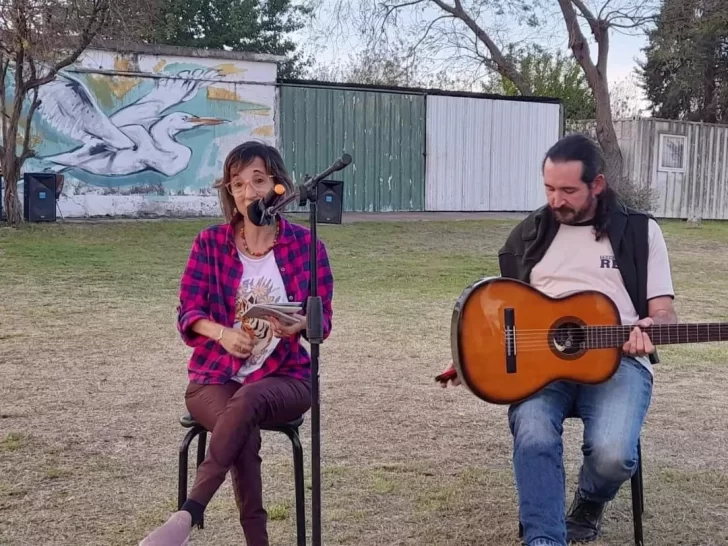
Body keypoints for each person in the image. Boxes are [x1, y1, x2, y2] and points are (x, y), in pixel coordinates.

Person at [440, 133, 677, 546]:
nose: (556, 200)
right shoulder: (529, 234)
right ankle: (545, 537)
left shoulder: (640, 231)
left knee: (613, 455)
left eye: (568, 190)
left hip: (619, 361)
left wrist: (653, 330)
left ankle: (589, 500)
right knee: (533, 433)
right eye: (549, 188)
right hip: (540, 367)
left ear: (597, 185)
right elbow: (502, 308)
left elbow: (664, 313)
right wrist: (473, 359)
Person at [140, 141, 334, 546]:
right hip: (213, 376)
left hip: (286, 377)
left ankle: (187, 514)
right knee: (241, 426)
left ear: (278, 186)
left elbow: (324, 321)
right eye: (238, 184)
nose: (249, 193)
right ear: (229, 192)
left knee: (246, 403)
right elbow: (187, 314)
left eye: (258, 181)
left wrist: (298, 324)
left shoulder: (307, 247)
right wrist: (222, 333)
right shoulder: (209, 244)